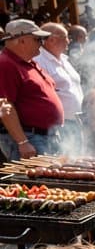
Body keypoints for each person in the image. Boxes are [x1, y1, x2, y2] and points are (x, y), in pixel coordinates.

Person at [0, 19, 63, 159]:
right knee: (37, 180)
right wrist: (22, 142)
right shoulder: (5, 64)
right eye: (37, 39)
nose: (41, 44)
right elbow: (5, 106)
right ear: (21, 41)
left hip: (44, 136)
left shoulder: (28, 61)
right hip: (31, 137)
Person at [35, 21, 85, 154]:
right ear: (51, 40)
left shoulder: (64, 59)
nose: (69, 41)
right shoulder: (39, 61)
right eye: (66, 37)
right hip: (60, 125)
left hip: (76, 122)